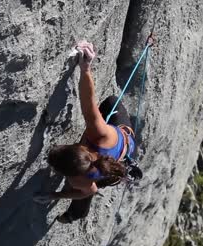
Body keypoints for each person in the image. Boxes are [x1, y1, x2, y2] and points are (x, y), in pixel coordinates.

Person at [33, 41, 137, 223]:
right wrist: (85, 68)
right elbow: (88, 106)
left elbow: (90, 190)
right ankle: (76, 213)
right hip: (124, 141)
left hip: (114, 157)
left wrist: (54, 195)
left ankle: (76, 213)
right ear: (81, 147)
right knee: (112, 102)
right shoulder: (99, 134)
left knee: (85, 195)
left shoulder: (80, 180)